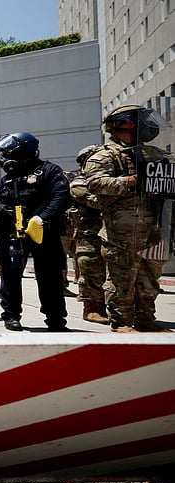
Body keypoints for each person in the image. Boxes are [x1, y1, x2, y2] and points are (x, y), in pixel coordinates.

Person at [83, 105, 174, 332]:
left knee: (149, 280)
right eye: (140, 120)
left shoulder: (154, 154)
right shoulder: (105, 155)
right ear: (126, 123)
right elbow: (95, 184)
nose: (148, 125)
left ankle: (146, 321)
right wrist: (132, 180)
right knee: (122, 280)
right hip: (122, 232)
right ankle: (121, 323)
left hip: (155, 229)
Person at [0, 132, 70, 332]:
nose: (4, 157)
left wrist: (42, 218)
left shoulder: (49, 171)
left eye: (8, 152)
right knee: (10, 275)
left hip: (44, 232)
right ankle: (11, 315)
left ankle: (55, 319)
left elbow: (62, 197)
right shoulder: (8, 178)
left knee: (50, 277)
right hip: (13, 233)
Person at [68, 150, 109, 324]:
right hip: (89, 236)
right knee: (91, 270)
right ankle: (91, 309)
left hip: (113, 232)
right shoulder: (79, 183)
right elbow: (98, 201)